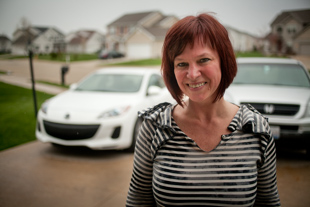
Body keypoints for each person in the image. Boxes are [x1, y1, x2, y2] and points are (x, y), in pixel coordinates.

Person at [126, 13, 281, 207]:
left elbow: (268, 202)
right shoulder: (154, 126)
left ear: (224, 61)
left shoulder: (255, 129)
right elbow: (138, 201)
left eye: (203, 60)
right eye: (182, 64)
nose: (192, 74)